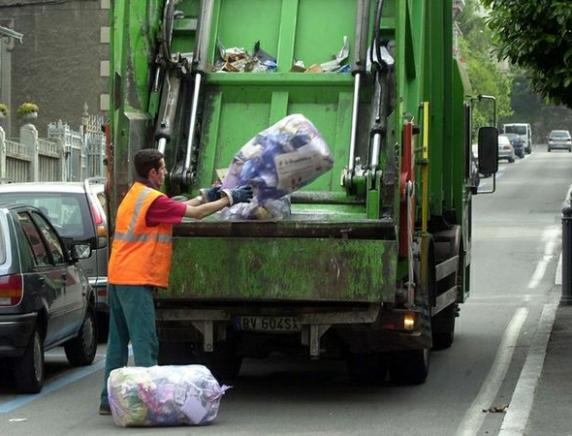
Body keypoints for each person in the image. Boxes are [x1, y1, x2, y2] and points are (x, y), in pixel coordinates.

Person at [99, 148, 252, 415]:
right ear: (153, 172)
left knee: (117, 343)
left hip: (120, 276)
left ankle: (107, 401)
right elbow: (198, 214)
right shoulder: (152, 201)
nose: (167, 172)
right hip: (135, 280)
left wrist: (209, 194)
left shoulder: (138, 195)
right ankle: (147, 405)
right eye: (164, 168)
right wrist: (230, 198)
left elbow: (184, 207)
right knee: (146, 344)